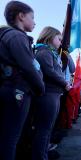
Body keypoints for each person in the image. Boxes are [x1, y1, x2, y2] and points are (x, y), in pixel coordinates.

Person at [0, 1, 45, 160]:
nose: (34, 22)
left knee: (8, 136)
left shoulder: (8, 36)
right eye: (32, 17)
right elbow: (29, 67)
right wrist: (41, 87)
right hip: (18, 91)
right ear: (21, 16)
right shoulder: (16, 36)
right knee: (10, 138)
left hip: (10, 89)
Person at [32, 26, 71, 160]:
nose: (61, 42)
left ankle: (44, 154)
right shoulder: (44, 51)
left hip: (54, 94)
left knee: (48, 128)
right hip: (48, 94)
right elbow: (50, 71)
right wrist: (65, 83)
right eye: (59, 39)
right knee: (43, 129)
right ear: (49, 36)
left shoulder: (50, 52)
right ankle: (40, 156)